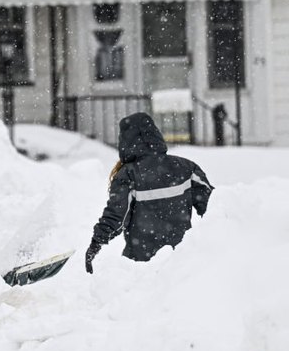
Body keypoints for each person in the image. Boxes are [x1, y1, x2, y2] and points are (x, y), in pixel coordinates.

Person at [85, 112, 214, 273]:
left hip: (141, 263)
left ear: (124, 140)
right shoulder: (186, 167)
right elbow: (215, 205)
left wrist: (96, 243)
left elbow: (116, 216)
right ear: (155, 133)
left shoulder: (128, 174)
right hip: (181, 259)